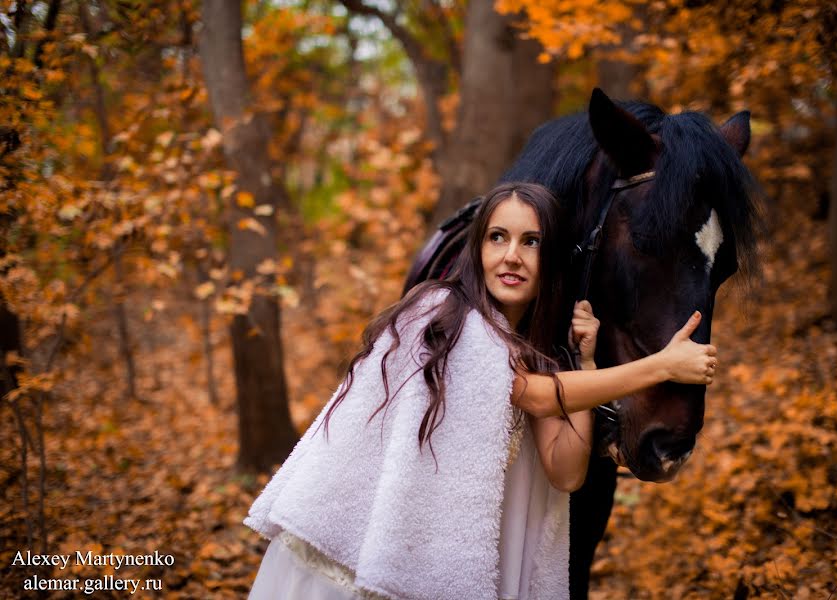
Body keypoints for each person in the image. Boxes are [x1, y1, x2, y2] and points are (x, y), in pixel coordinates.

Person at [243, 182, 718, 600]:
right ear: (479, 249)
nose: (511, 255)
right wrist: (659, 366)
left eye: (531, 242)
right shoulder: (443, 316)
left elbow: (566, 472)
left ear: (551, 261)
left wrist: (587, 361)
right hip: (355, 559)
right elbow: (533, 395)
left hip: (448, 560)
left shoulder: (534, 351)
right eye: (498, 238)